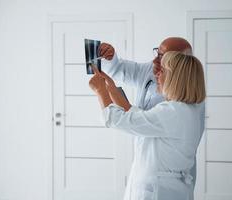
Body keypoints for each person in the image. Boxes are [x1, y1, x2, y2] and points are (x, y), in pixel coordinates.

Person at [88, 51, 206, 200]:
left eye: (162, 71)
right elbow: (139, 117)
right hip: (172, 189)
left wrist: (101, 91)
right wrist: (112, 89)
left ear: (175, 78)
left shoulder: (172, 111)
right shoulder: (189, 110)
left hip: (158, 191)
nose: (156, 75)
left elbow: (118, 120)